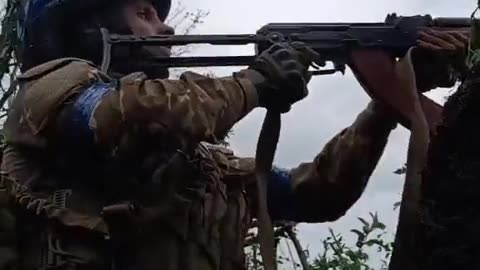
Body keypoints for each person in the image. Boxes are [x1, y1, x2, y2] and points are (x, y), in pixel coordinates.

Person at [0, 0, 467, 269]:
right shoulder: (51, 91)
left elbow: (319, 193)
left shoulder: (206, 168)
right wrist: (254, 83)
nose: (166, 25)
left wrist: (388, 96)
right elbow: (128, 116)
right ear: (88, 25)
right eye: (144, 11)